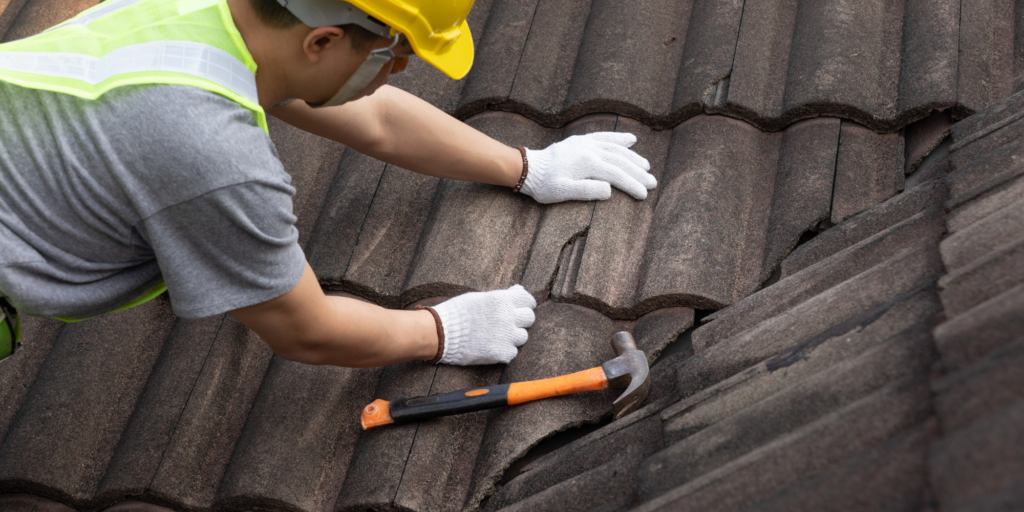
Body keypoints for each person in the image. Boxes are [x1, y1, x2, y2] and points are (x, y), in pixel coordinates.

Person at [0, 0, 657, 367]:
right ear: (319, 42)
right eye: (393, 53)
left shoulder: (209, 17)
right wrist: (440, 330)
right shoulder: (211, 156)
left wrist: (525, 165)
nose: (396, 72)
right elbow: (304, 329)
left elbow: (372, 119)